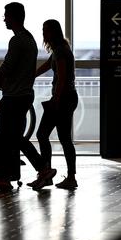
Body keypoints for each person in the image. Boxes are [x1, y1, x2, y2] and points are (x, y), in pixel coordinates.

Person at [0, 2, 38, 191]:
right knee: (14, 138)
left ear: (13, 17)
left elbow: (7, 67)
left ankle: (3, 178)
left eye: (6, 15)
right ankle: (42, 169)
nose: (4, 18)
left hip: (14, 97)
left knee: (6, 139)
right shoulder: (30, 39)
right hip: (25, 95)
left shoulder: (17, 41)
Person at [21, 19, 78, 190]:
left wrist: (56, 99)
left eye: (46, 30)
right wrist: (29, 76)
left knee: (44, 134)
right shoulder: (58, 50)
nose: (43, 33)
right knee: (61, 138)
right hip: (67, 98)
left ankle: (50, 174)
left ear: (54, 32)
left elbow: (61, 78)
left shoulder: (60, 51)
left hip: (63, 99)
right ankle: (62, 176)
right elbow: (46, 66)